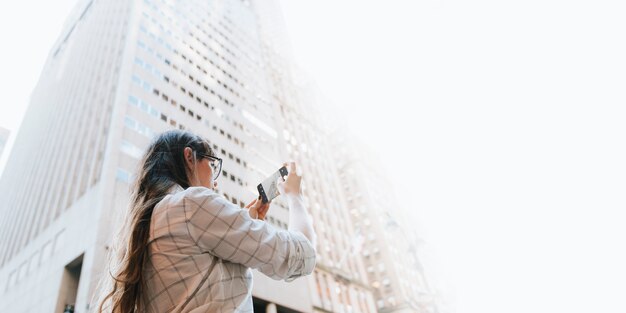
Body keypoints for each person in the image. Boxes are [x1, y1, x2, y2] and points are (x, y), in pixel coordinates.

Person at [97, 129, 316, 312]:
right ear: (189, 157)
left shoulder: (147, 225)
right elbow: (300, 254)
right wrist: (295, 196)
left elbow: (199, 279)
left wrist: (245, 221)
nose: (215, 183)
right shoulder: (190, 204)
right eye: (212, 165)